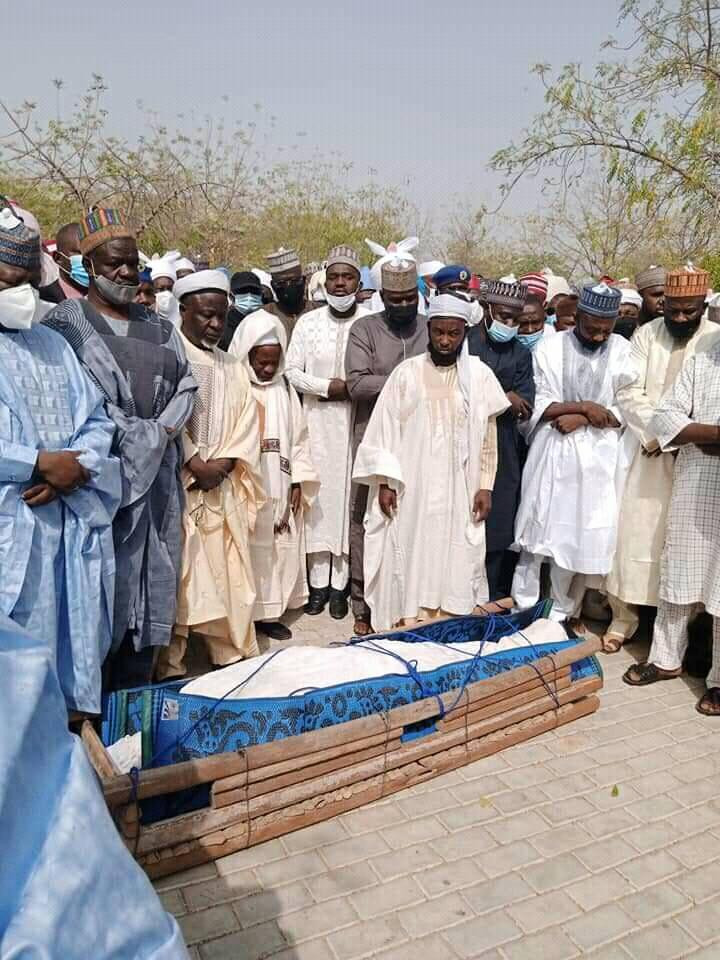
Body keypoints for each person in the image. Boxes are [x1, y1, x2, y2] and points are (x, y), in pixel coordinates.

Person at [44, 207, 196, 689]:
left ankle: (133, 712)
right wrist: (137, 435)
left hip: (158, 492)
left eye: (133, 262)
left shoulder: (161, 327)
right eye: (116, 264)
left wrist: (160, 431)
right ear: (89, 265)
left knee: (150, 600)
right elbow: (75, 399)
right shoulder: (67, 324)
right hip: (96, 483)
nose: (128, 272)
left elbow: (186, 387)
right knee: (95, 600)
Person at [0, 201, 120, 714]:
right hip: (12, 534)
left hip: (65, 529)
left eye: (29, 282)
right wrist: (35, 463)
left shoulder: (53, 344)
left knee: (63, 669)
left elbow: (96, 420)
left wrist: (75, 467)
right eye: (8, 283)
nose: (21, 294)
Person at [353, 294, 509, 632]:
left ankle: (448, 617)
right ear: (429, 329)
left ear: (464, 333)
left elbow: (488, 439)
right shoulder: (405, 373)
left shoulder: (479, 376)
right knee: (410, 548)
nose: (445, 340)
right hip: (412, 485)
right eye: (439, 332)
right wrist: (385, 482)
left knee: (454, 550)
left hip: (460, 487)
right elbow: (384, 431)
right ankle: (408, 618)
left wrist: (485, 485)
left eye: (453, 333)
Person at [156, 271, 264, 680]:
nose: (216, 325)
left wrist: (226, 463)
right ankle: (171, 664)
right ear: (183, 310)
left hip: (222, 483)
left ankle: (228, 654)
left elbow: (247, 421)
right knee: (183, 577)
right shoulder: (169, 356)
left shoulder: (233, 365)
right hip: (179, 485)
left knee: (228, 572)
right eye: (206, 315)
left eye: (221, 316)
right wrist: (193, 462)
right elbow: (162, 416)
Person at [606, 267, 720, 651]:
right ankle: (624, 618)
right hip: (648, 451)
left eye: (690, 311)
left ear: (703, 306)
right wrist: (659, 435)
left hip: (700, 461)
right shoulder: (646, 334)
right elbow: (628, 390)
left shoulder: (713, 338)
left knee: (691, 550)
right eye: (674, 310)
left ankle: (687, 634)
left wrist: (686, 434)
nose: (681, 318)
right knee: (635, 535)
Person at [512, 283, 633, 621]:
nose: (599, 336)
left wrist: (581, 417)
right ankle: (523, 608)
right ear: (578, 316)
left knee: (575, 538)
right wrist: (583, 407)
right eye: (592, 329)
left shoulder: (623, 350)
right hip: (552, 450)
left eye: (606, 330)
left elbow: (626, 405)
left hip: (598, 458)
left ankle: (561, 614)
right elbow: (537, 402)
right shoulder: (550, 347)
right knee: (535, 535)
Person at [285, 245, 368, 619]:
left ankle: (341, 586)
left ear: (358, 282)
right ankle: (317, 585)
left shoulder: (369, 322)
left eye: (347, 277)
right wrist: (327, 387)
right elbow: (291, 370)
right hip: (316, 422)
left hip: (354, 424)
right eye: (333, 277)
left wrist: (352, 390)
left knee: (348, 501)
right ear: (324, 282)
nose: (340, 284)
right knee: (317, 501)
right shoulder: (308, 323)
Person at [346, 258, 427, 634]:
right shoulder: (365, 329)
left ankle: (409, 599)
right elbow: (357, 384)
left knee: (415, 517)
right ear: (382, 296)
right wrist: (407, 380)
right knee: (366, 517)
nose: (403, 305)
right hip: (374, 438)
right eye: (395, 299)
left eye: (410, 298)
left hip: (422, 442)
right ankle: (362, 603)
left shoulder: (429, 327)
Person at [231, 311, 318, 641]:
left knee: (277, 547)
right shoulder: (236, 384)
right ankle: (243, 619)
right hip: (245, 483)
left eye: (273, 362)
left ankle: (269, 614)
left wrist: (298, 479)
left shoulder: (283, 389)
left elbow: (299, 437)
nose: (267, 369)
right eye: (261, 362)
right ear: (247, 355)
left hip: (279, 482)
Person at [468, 278, 535, 599]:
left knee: (497, 527)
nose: (509, 325)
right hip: (465, 441)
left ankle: (493, 599)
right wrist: (503, 395)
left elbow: (524, 405)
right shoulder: (465, 343)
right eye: (504, 316)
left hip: (504, 446)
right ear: (487, 309)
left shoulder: (521, 354)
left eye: (515, 319)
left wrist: (504, 397)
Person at [264, 247, 312, 340]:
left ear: (303, 281)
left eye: (294, 281)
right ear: (273, 285)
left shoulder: (320, 312)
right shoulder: (263, 316)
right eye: (282, 283)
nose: (289, 286)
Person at [219, 270, 265, 350]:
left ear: (261, 294)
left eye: (254, 291)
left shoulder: (267, 322)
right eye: (243, 291)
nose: (249, 295)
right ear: (231, 296)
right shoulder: (222, 327)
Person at [52, 222, 88, 300]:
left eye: (90, 252)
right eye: (79, 253)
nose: (88, 259)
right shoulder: (48, 299)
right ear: (58, 258)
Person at [150, 253, 180, 324]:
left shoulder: (183, 315)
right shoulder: (145, 315)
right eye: (161, 289)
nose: (166, 293)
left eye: (170, 289)